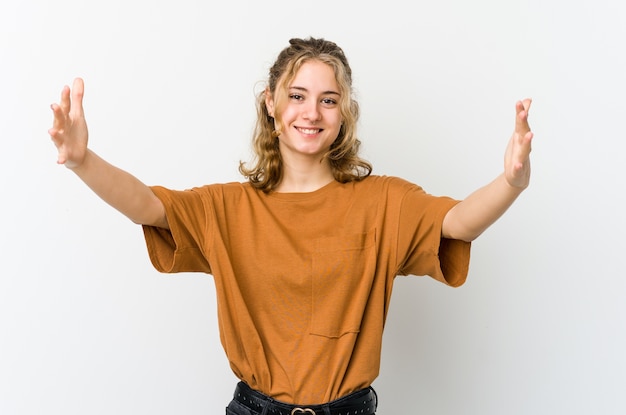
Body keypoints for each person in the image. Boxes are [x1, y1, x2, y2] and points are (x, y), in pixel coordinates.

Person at [48, 37, 533, 415]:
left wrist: (510, 181)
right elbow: (149, 206)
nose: (311, 111)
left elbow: (457, 222)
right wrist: (83, 161)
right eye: (297, 95)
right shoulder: (226, 208)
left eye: (328, 99)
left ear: (343, 114)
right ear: (271, 104)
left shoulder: (384, 201)